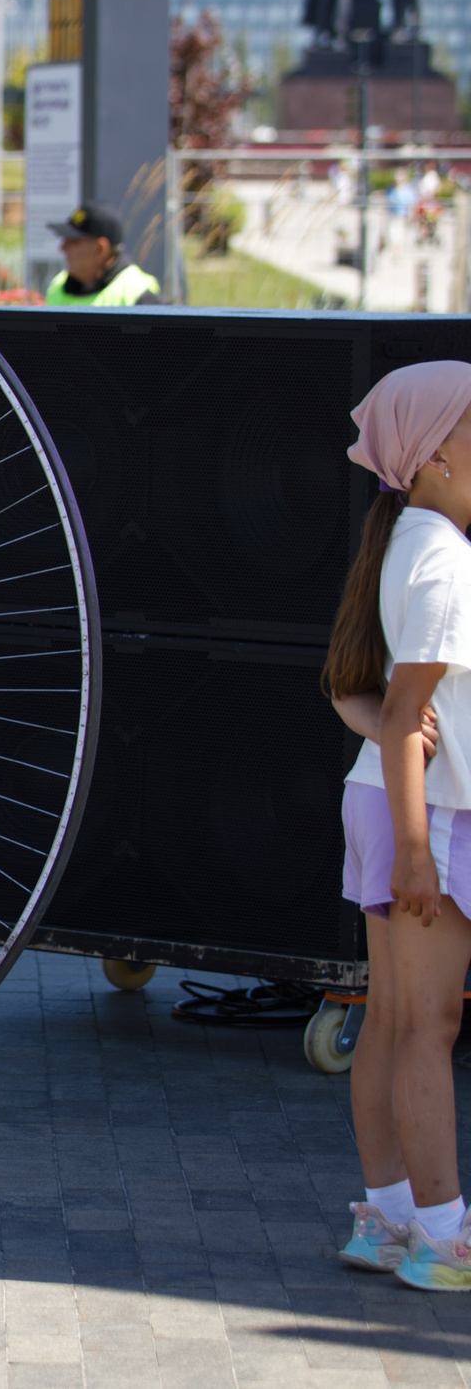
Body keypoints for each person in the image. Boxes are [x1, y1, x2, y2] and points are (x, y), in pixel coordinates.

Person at [323, 360, 471, 1291]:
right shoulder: (445, 560)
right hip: (431, 816)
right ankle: (445, 1236)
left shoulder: (406, 541)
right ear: (439, 457)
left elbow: (360, 692)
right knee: (428, 1026)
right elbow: (408, 710)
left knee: (393, 1020)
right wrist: (420, 851)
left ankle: (390, 1218)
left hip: (393, 804)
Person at [45, 203, 163, 306]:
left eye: (73, 241)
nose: (62, 248)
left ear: (99, 248)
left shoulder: (137, 293)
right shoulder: (57, 286)